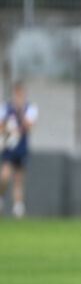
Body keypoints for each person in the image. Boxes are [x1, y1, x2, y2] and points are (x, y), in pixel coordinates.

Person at [0, 82, 38, 218]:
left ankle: (18, 207)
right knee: (4, 175)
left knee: (18, 178)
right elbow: (1, 126)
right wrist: (8, 130)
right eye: (17, 93)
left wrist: (20, 111)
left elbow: (29, 125)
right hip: (9, 147)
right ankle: (1, 198)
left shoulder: (29, 108)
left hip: (21, 148)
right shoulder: (6, 108)